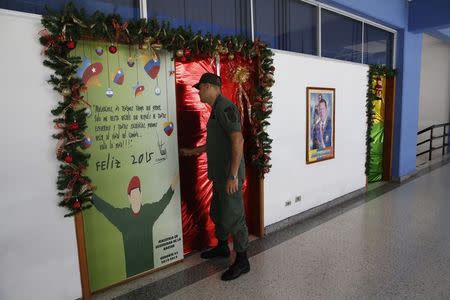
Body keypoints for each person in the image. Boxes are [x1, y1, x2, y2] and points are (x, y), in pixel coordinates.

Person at [180, 72, 250, 281]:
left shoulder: (226, 108)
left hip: (229, 176)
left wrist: (233, 176)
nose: (198, 92)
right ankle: (222, 248)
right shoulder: (215, 110)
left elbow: (238, 141)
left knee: (234, 217)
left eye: (200, 87)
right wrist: (192, 152)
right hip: (220, 175)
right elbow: (217, 143)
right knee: (219, 212)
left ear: (210, 87)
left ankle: (243, 260)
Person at [92, 175, 178, 278]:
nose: (136, 197)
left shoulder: (148, 212)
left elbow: (163, 203)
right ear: (129, 197)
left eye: (137, 194)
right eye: (133, 195)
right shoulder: (123, 217)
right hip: (132, 272)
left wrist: (173, 186)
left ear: (141, 195)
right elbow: (106, 209)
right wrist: (90, 196)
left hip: (149, 268)